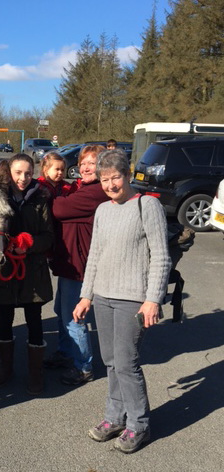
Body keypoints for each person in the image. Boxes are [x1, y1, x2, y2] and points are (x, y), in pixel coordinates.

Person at [73, 149, 171, 454]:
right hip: (103, 296)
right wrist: (86, 295)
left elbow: (161, 256)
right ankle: (114, 417)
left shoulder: (147, 205)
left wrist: (152, 299)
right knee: (110, 361)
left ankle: (138, 424)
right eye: (105, 178)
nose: (111, 184)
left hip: (133, 300)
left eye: (116, 177)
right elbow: (95, 257)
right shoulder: (102, 210)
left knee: (127, 363)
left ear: (127, 175)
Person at [0, 153, 54, 395]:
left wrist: (28, 243)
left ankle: (35, 373)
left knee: (34, 320)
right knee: (4, 320)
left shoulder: (41, 199)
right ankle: (5, 368)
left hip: (32, 271)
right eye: (18, 173)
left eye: (28, 173)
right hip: (5, 267)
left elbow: (48, 236)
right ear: (10, 173)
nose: (23, 178)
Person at [45, 145, 109, 386]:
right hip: (69, 263)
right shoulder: (82, 188)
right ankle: (65, 352)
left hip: (80, 266)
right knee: (60, 312)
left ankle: (83, 366)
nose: (85, 167)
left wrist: (51, 192)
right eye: (83, 163)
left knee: (74, 317)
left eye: (91, 163)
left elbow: (57, 208)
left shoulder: (95, 192)